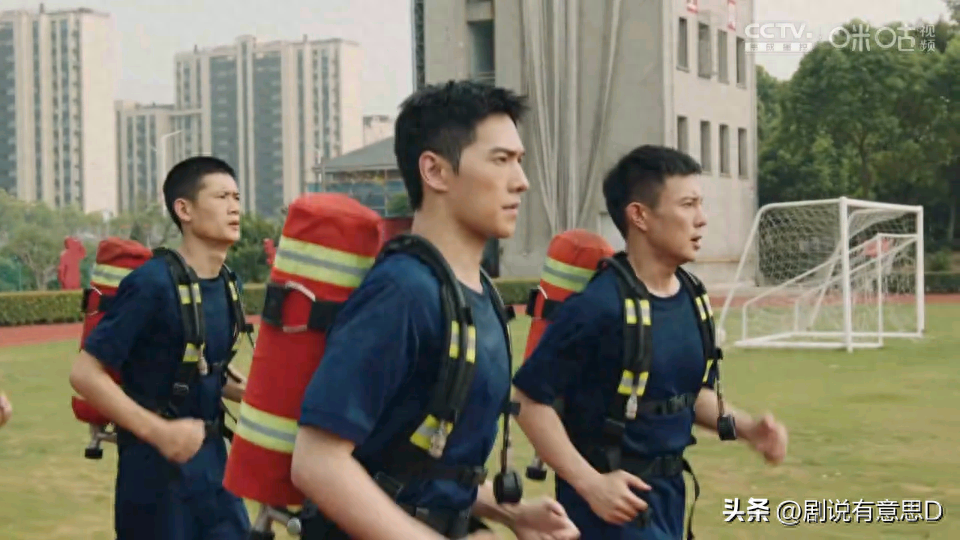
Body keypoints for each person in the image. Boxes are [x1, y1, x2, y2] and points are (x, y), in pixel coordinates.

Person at [290, 80, 580, 540]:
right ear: (436, 171)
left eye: (519, 161)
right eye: (501, 160)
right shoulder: (403, 292)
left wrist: (512, 514)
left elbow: (420, 465)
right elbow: (317, 462)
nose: (521, 181)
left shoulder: (477, 295)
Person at [511, 145, 789, 539]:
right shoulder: (598, 307)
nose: (702, 219)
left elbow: (684, 394)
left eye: (701, 204)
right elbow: (527, 400)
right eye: (688, 204)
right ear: (639, 215)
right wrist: (591, 484)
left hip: (668, 502)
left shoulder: (692, 298)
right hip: (606, 516)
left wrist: (748, 429)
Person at [68, 156, 252, 540]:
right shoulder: (151, 284)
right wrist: (160, 432)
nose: (234, 207)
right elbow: (84, 373)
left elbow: (204, 370)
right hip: (153, 476)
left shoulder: (228, 284)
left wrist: (263, 398)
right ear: (184, 210)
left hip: (215, 466)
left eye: (236, 197)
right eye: (221, 197)